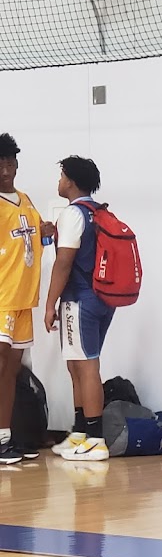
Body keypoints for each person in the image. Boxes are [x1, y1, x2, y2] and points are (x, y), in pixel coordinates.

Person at [45, 156, 114, 462]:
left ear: (71, 181)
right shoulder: (97, 212)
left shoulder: (73, 213)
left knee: (86, 367)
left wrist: (50, 304)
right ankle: (80, 433)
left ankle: (96, 439)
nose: (59, 181)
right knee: (76, 365)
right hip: (102, 298)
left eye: (61, 176)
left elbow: (64, 263)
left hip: (80, 298)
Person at [0, 133, 54, 464]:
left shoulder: (25, 199)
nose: (6, 168)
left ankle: (6, 436)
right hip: (2, 295)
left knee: (12, 371)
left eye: (10, 162)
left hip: (23, 299)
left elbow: (34, 234)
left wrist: (47, 231)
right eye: (0, 163)